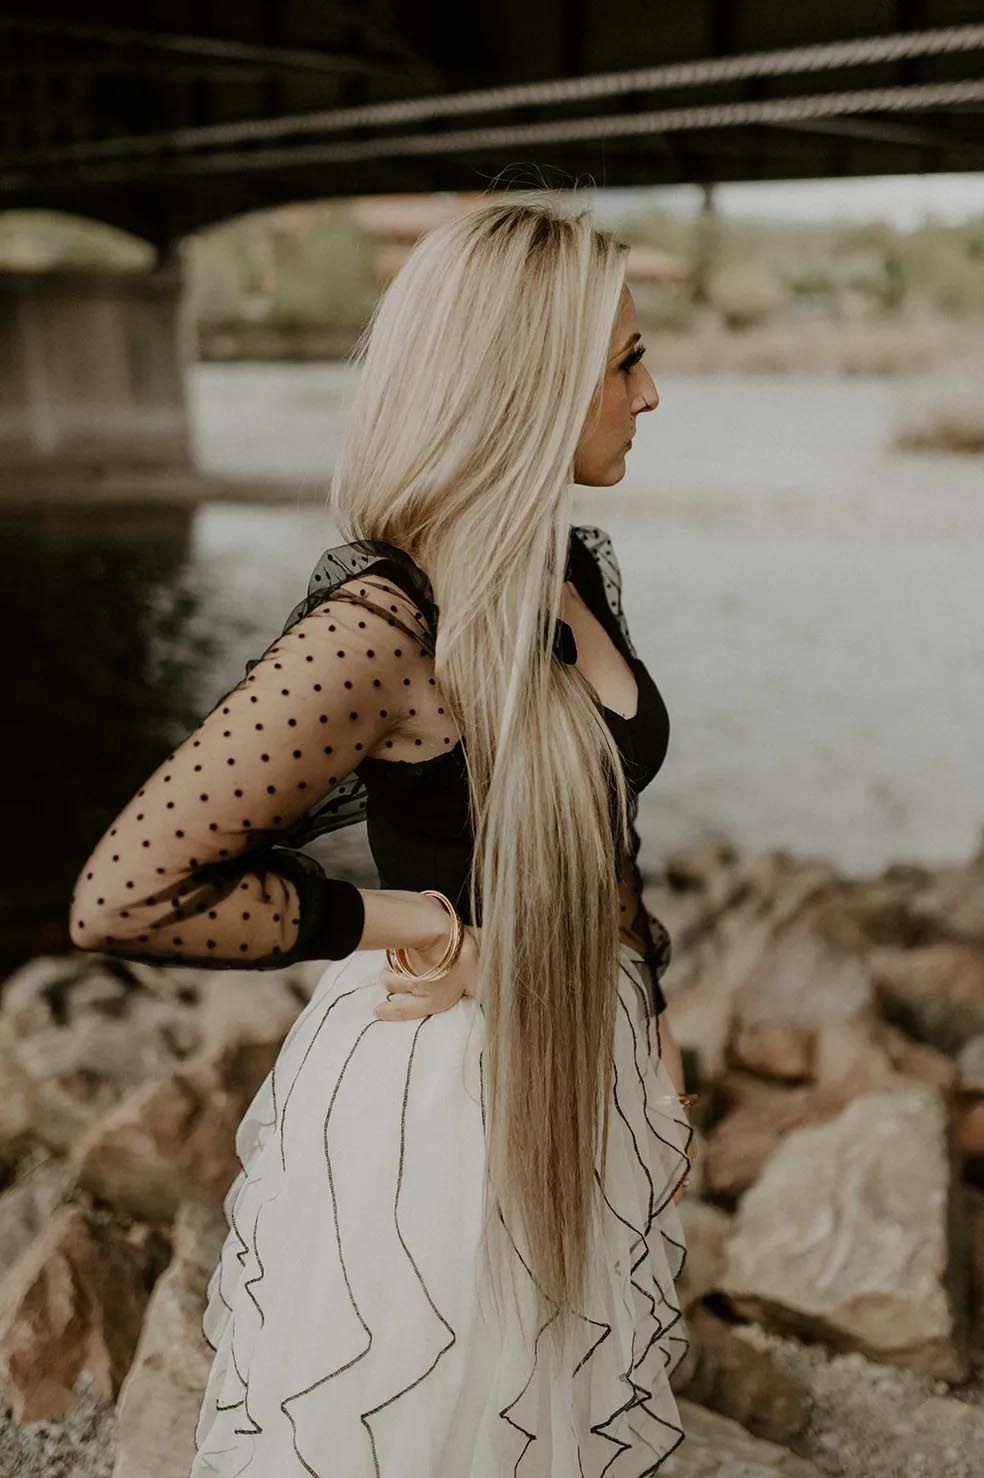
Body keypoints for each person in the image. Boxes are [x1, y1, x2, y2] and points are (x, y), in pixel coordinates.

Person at [68, 195, 695, 1476]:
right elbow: (127, 891)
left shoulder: (562, 571)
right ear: (530, 384)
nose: (652, 393)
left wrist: (656, 1028)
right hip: (449, 1096)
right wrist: (400, 918)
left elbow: (598, 830)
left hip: (584, 1044)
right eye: (626, 359)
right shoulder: (381, 624)